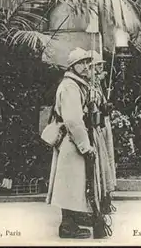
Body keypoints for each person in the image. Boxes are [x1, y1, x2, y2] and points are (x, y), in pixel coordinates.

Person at [46, 47, 97, 239]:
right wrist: (85, 146)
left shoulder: (76, 85)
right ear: (72, 66)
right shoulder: (69, 87)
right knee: (69, 182)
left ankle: (73, 219)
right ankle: (67, 226)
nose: (85, 67)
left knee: (74, 181)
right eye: (81, 63)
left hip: (72, 139)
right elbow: (73, 120)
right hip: (71, 140)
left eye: (86, 63)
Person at [87, 50, 117, 211]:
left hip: (103, 125)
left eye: (100, 65)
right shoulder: (89, 85)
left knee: (107, 158)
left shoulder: (99, 83)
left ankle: (106, 194)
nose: (99, 68)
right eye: (97, 65)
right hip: (96, 127)